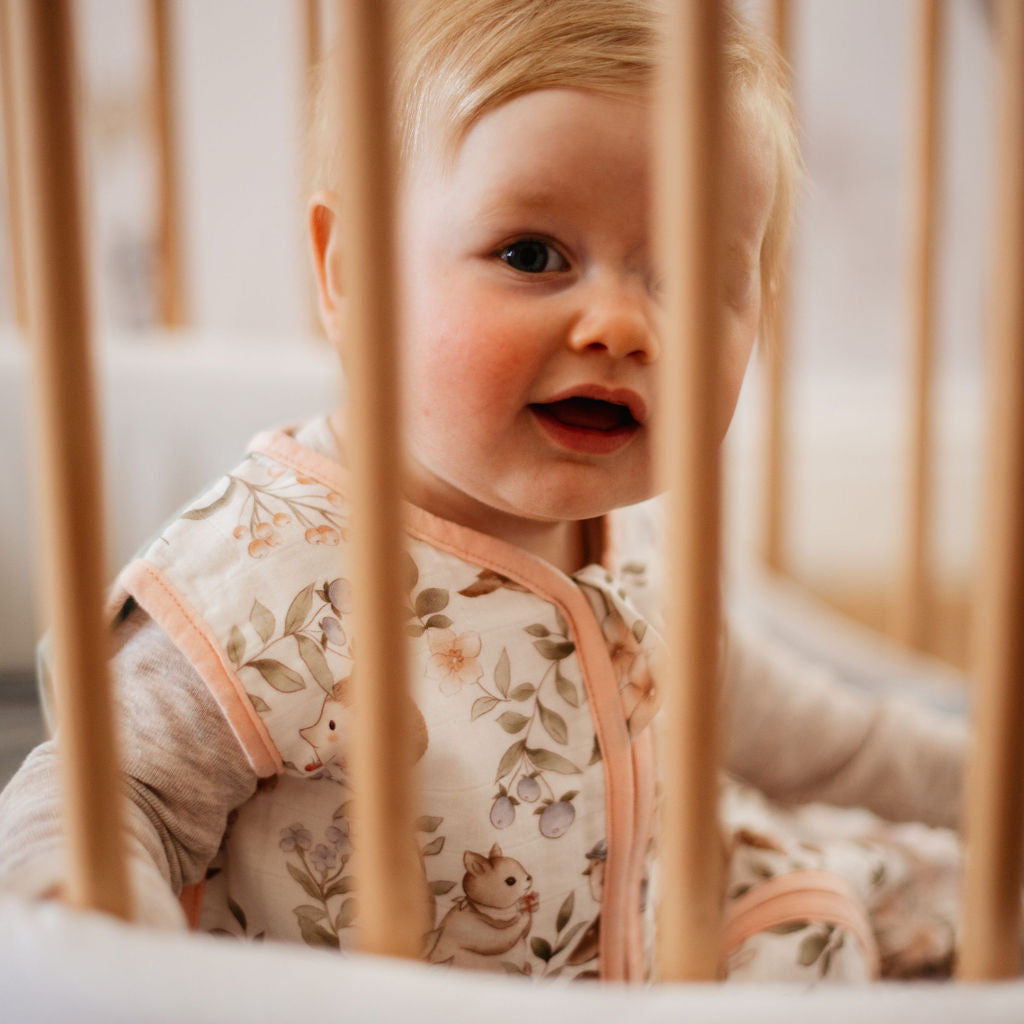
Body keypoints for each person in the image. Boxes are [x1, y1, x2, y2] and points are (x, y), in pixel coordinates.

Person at [0, 0, 966, 982]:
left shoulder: (638, 544)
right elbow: (106, 791)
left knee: (859, 912)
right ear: (352, 273)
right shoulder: (258, 578)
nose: (621, 325)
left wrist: (980, 776)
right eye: (533, 255)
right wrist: (89, 916)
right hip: (394, 995)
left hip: (680, 918)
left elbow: (822, 738)